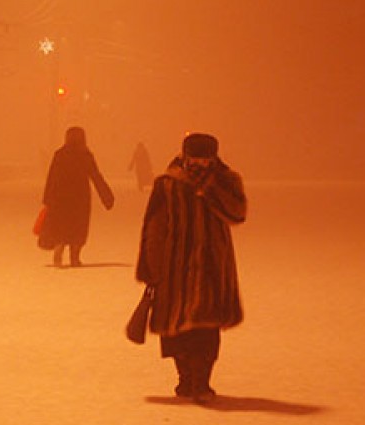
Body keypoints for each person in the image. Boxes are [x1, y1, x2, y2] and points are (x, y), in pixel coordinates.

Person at [135, 132, 246, 404]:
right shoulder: (168, 184)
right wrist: (153, 265)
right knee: (176, 332)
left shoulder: (226, 181)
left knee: (206, 329)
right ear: (185, 155)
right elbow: (155, 226)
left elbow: (237, 213)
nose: (200, 163)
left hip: (210, 266)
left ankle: (202, 382)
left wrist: (210, 188)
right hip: (175, 268)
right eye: (195, 157)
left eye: (205, 158)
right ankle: (185, 380)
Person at [38, 126, 114, 267]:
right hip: (80, 198)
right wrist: (106, 196)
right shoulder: (85, 155)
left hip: (60, 198)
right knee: (78, 228)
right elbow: (96, 176)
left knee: (61, 226)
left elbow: (51, 177)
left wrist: (47, 198)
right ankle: (75, 257)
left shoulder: (60, 154)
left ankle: (59, 250)